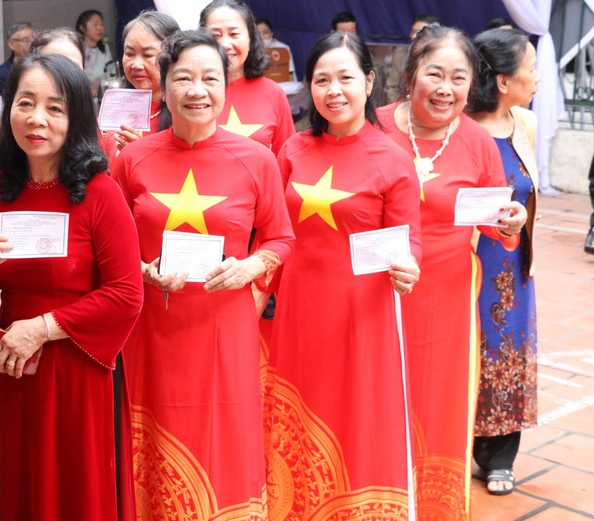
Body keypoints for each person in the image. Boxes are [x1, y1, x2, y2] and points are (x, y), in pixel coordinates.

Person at [111, 30, 294, 519]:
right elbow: (108, 243)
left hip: (224, 326)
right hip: (151, 327)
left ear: (226, 86)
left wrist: (250, 267)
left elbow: (280, 238)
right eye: (183, 78)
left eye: (210, 78)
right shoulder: (133, 159)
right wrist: (142, 270)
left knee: (225, 434)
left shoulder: (256, 160)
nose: (197, 90)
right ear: (164, 83)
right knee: (153, 433)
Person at [0, 54, 144, 520]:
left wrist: (42, 328)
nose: (37, 119)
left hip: (77, 368)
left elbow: (126, 293)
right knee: (19, 485)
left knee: (73, 490)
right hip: (15, 367)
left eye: (55, 108)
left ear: (76, 118)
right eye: (25, 103)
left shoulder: (100, 192)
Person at [264, 31, 422, 518]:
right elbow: (272, 231)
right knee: (297, 415)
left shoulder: (393, 159)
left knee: (354, 418)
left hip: (360, 316)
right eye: (321, 80)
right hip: (297, 311)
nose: (333, 90)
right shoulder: (292, 150)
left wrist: (408, 267)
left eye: (345, 78)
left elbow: (409, 241)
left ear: (369, 82)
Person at [375, 24, 528, 519]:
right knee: (375, 396)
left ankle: (433, 505)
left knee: (437, 402)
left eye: (458, 78)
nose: (446, 88)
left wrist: (511, 222)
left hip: (447, 299)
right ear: (410, 75)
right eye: (434, 74)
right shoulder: (374, 126)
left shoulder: (478, 142)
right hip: (376, 291)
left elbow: (495, 224)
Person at [469, 28, 541, 496]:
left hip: (512, 262)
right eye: (530, 69)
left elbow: (528, 190)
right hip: (469, 259)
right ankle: (461, 444)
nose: (537, 78)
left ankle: (500, 456)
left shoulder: (526, 123)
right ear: (502, 80)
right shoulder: (462, 128)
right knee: (469, 349)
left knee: (509, 351)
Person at [0, 27, 86, 182]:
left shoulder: (103, 144)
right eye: (50, 65)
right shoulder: (2, 150)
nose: (61, 76)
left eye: (72, 67)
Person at [200, 0, 295, 156]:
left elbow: (285, 159)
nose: (225, 44)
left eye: (234, 34)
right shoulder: (192, 92)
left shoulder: (272, 92)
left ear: (250, 38)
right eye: (215, 36)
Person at [104, 10, 179, 155]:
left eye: (148, 55)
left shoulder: (184, 114)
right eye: (129, 54)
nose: (136, 65)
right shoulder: (111, 110)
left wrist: (140, 155)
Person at [384, 14, 440, 103]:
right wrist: (401, 107)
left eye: (419, 32)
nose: (414, 36)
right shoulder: (401, 55)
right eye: (413, 31)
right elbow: (391, 87)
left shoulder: (442, 58)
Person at [76, 9, 113, 92]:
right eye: (95, 24)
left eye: (101, 24)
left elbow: (111, 71)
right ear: (82, 28)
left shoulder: (105, 48)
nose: (99, 28)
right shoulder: (77, 49)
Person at [0, 22, 34, 95]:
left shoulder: (43, 67)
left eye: (34, 39)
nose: (32, 44)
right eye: (26, 41)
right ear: (12, 44)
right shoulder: (1, 75)